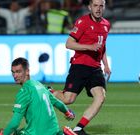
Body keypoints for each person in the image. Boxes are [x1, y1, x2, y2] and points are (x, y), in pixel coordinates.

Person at [0, 57, 77, 135]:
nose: (15, 75)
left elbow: (14, 123)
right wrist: (67, 112)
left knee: (7, 132)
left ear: (27, 71)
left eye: (18, 72)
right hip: (53, 132)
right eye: (13, 72)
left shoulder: (24, 92)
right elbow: (57, 102)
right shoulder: (40, 85)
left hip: (36, 133)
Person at [51, 0, 111, 134]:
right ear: (90, 7)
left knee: (100, 97)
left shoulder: (106, 24)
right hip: (80, 66)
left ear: (104, 7)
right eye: (95, 5)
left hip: (95, 68)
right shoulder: (82, 22)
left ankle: (78, 129)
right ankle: (49, 92)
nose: (98, 8)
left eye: (101, 6)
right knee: (68, 99)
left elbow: (102, 46)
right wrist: (89, 47)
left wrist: (106, 65)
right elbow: (69, 43)